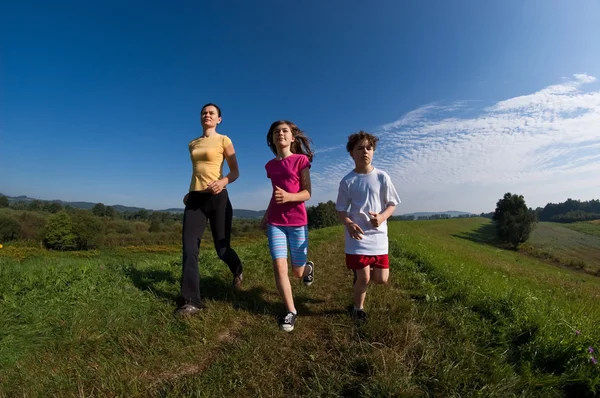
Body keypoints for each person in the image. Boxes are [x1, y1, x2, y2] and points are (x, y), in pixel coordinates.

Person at [177, 103, 244, 316]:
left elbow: (235, 172)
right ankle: (191, 302)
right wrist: (192, 192)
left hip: (217, 197)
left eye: (211, 113)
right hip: (195, 200)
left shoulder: (224, 140)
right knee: (189, 249)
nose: (207, 115)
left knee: (222, 250)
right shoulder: (193, 143)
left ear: (219, 119)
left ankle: (237, 269)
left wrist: (222, 182)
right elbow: (198, 172)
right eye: (204, 113)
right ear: (201, 118)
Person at [335, 131, 401, 324]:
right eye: (360, 148)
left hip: (379, 237)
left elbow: (392, 204)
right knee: (364, 278)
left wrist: (381, 217)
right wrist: (348, 223)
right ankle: (358, 309)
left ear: (373, 151)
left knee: (381, 279)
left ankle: (358, 280)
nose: (365, 151)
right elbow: (340, 209)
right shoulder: (347, 181)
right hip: (358, 238)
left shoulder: (382, 177)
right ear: (351, 153)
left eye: (369, 148)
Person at [260, 120, 315, 331]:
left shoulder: (301, 160)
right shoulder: (270, 166)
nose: (280, 134)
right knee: (279, 267)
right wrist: (266, 216)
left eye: (285, 131)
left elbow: (307, 193)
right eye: (276, 131)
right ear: (272, 139)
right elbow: (275, 196)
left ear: (292, 137)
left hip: (297, 222)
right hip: (276, 223)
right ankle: (291, 311)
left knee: (297, 273)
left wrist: (290, 196)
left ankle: (307, 266)